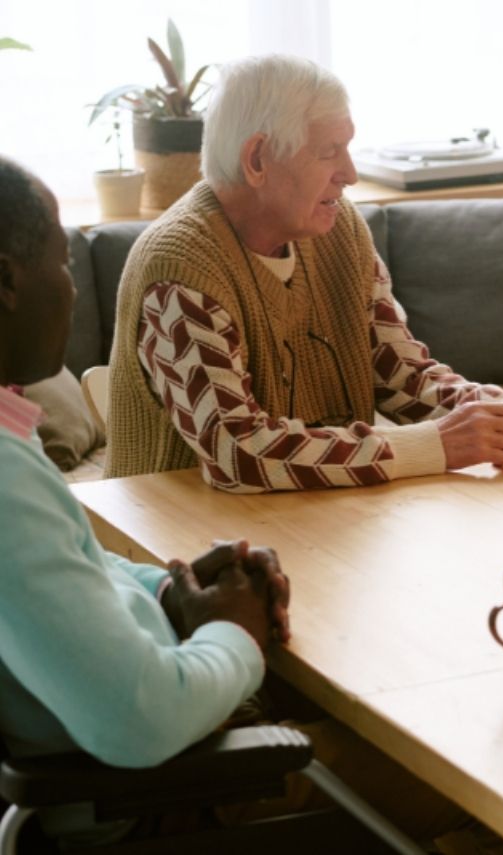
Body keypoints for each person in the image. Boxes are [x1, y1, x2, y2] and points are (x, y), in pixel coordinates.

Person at [106, 54, 503, 493]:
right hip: (178, 550)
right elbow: (237, 451)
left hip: (311, 526)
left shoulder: (337, 229)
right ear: (258, 159)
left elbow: (403, 379)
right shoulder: (179, 268)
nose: (350, 174)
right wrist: (435, 445)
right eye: (329, 152)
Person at [0, 157, 291, 838]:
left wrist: (172, 590)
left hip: (153, 748)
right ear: (5, 280)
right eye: (63, 262)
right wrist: (236, 630)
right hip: (142, 804)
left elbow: (74, 571)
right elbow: (138, 718)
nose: (73, 290)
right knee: (438, 788)